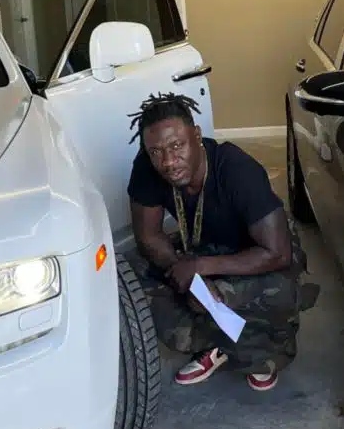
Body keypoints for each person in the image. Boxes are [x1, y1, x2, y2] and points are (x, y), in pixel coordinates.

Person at [127, 92, 318, 392]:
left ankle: (262, 352)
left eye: (177, 146)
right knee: (134, 270)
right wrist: (188, 275)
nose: (168, 161)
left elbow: (277, 252)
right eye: (156, 151)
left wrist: (201, 268)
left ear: (196, 136)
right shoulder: (148, 167)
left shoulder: (237, 169)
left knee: (278, 288)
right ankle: (215, 345)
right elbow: (148, 236)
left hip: (255, 249)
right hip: (200, 244)